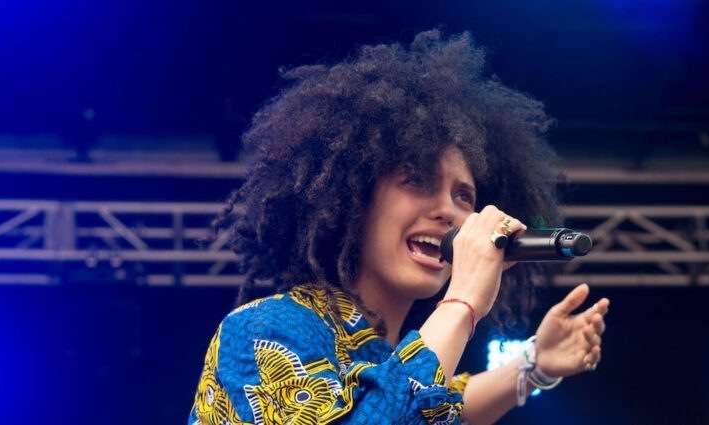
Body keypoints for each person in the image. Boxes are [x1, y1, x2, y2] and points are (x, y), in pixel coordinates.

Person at [188, 29, 610, 425]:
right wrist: (462, 302)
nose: (449, 211)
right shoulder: (266, 327)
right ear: (352, 200)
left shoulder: (380, 354)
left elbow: (444, 403)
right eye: (417, 181)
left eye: (464, 196)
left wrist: (533, 366)